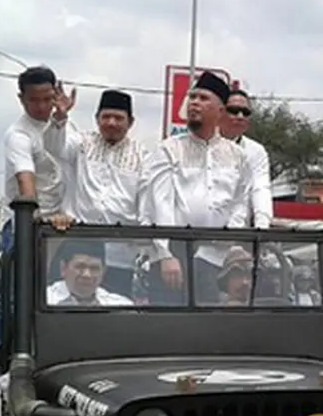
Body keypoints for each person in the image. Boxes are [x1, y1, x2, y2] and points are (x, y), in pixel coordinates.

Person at [0, 66, 69, 360]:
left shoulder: (65, 126)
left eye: (48, 98)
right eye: (35, 100)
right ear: (22, 99)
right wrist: (32, 213)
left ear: (57, 94)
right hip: (27, 223)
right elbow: (25, 179)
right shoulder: (18, 134)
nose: (43, 106)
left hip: (65, 225)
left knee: (66, 299)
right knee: (16, 297)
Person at [145, 72, 253, 303]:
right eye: (192, 96)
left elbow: (240, 203)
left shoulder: (237, 156)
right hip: (173, 256)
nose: (194, 102)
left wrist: (230, 237)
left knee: (206, 330)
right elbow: (159, 203)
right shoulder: (169, 149)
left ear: (221, 111)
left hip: (216, 256)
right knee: (167, 330)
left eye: (203, 98)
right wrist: (165, 254)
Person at [45, 88, 155, 296]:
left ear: (130, 122)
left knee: (112, 318)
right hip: (78, 248)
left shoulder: (143, 157)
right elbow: (53, 146)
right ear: (97, 119)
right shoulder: (82, 144)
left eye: (118, 118)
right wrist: (60, 116)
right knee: (64, 308)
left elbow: (146, 203)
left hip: (119, 255)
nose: (111, 122)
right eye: (106, 117)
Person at [219, 89, 274, 230]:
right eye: (233, 110)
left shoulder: (256, 151)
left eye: (245, 112)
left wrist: (262, 227)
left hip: (238, 235)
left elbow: (260, 188)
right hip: (199, 233)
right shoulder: (202, 144)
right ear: (219, 112)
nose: (240, 116)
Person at [46, 241, 133, 307]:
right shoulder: (46, 299)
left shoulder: (121, 305)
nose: (87, 275)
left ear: (103, 271)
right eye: (80, 267)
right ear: (63, 268)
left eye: (94, 268)